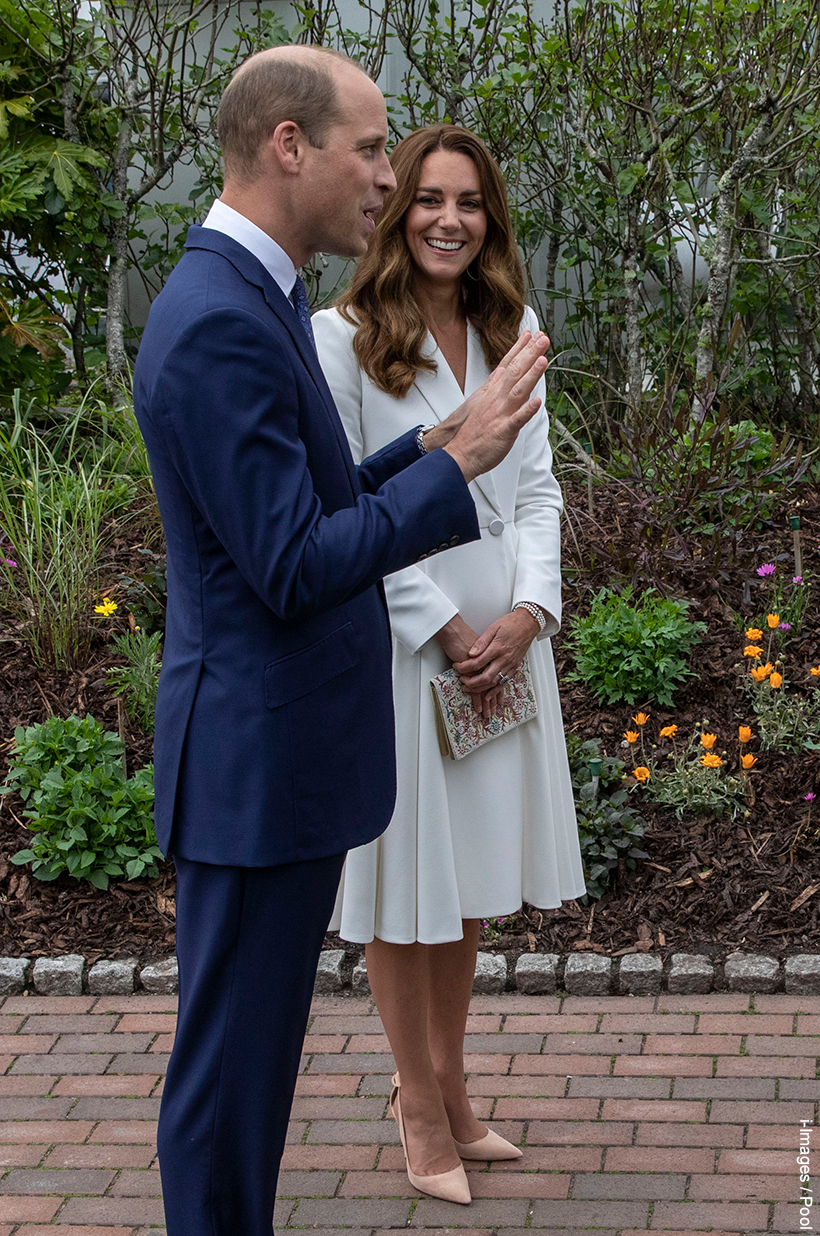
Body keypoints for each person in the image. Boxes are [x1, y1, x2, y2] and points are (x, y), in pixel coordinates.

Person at [132, 48, 550, 1236]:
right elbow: (291, 568)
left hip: (278, 759)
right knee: (227, 1080)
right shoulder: (220, 315)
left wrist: (434, 447)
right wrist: (459, 463)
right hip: (254, 762)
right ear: (288, 147)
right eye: (370, 149)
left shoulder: (250, 292)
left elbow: (311, 508)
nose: (387, 175)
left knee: (250, 1073)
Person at [312, 124, 585, 1204]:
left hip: (503, 658)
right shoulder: (342, 340)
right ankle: (414, 1105)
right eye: (426, 197)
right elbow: (343, 505)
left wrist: (527, 613)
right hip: (401, 653)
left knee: (464, 886)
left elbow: (536, 494)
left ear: (491, 220)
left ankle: (454, 1089)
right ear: (394, 211)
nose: (446, 219)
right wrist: (441, 624)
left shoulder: (511, 330)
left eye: (468, 202)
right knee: (401, 890)